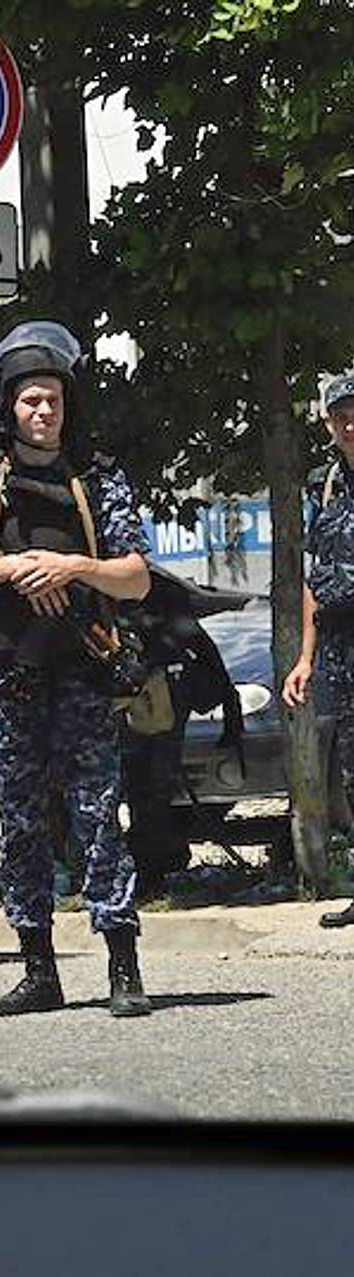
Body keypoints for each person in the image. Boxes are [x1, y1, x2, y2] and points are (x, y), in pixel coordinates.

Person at [0, 321, 153, 1017]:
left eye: (53, 399)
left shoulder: (97, 476)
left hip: (81, 672)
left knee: (96, 817)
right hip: (7, 677)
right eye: (30, 400)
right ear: (10, 406)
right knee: (21, 823)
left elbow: (137, 578)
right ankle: (38, 970)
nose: (43, 412)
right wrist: (15, 567)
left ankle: (123, 966)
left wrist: (73, 566)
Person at [283, 371, 354, 928]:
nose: (349, 424)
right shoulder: (324, 484)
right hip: (337, 643)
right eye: (339, 416)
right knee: (351, 769)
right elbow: (316, 578)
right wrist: (305, 657)